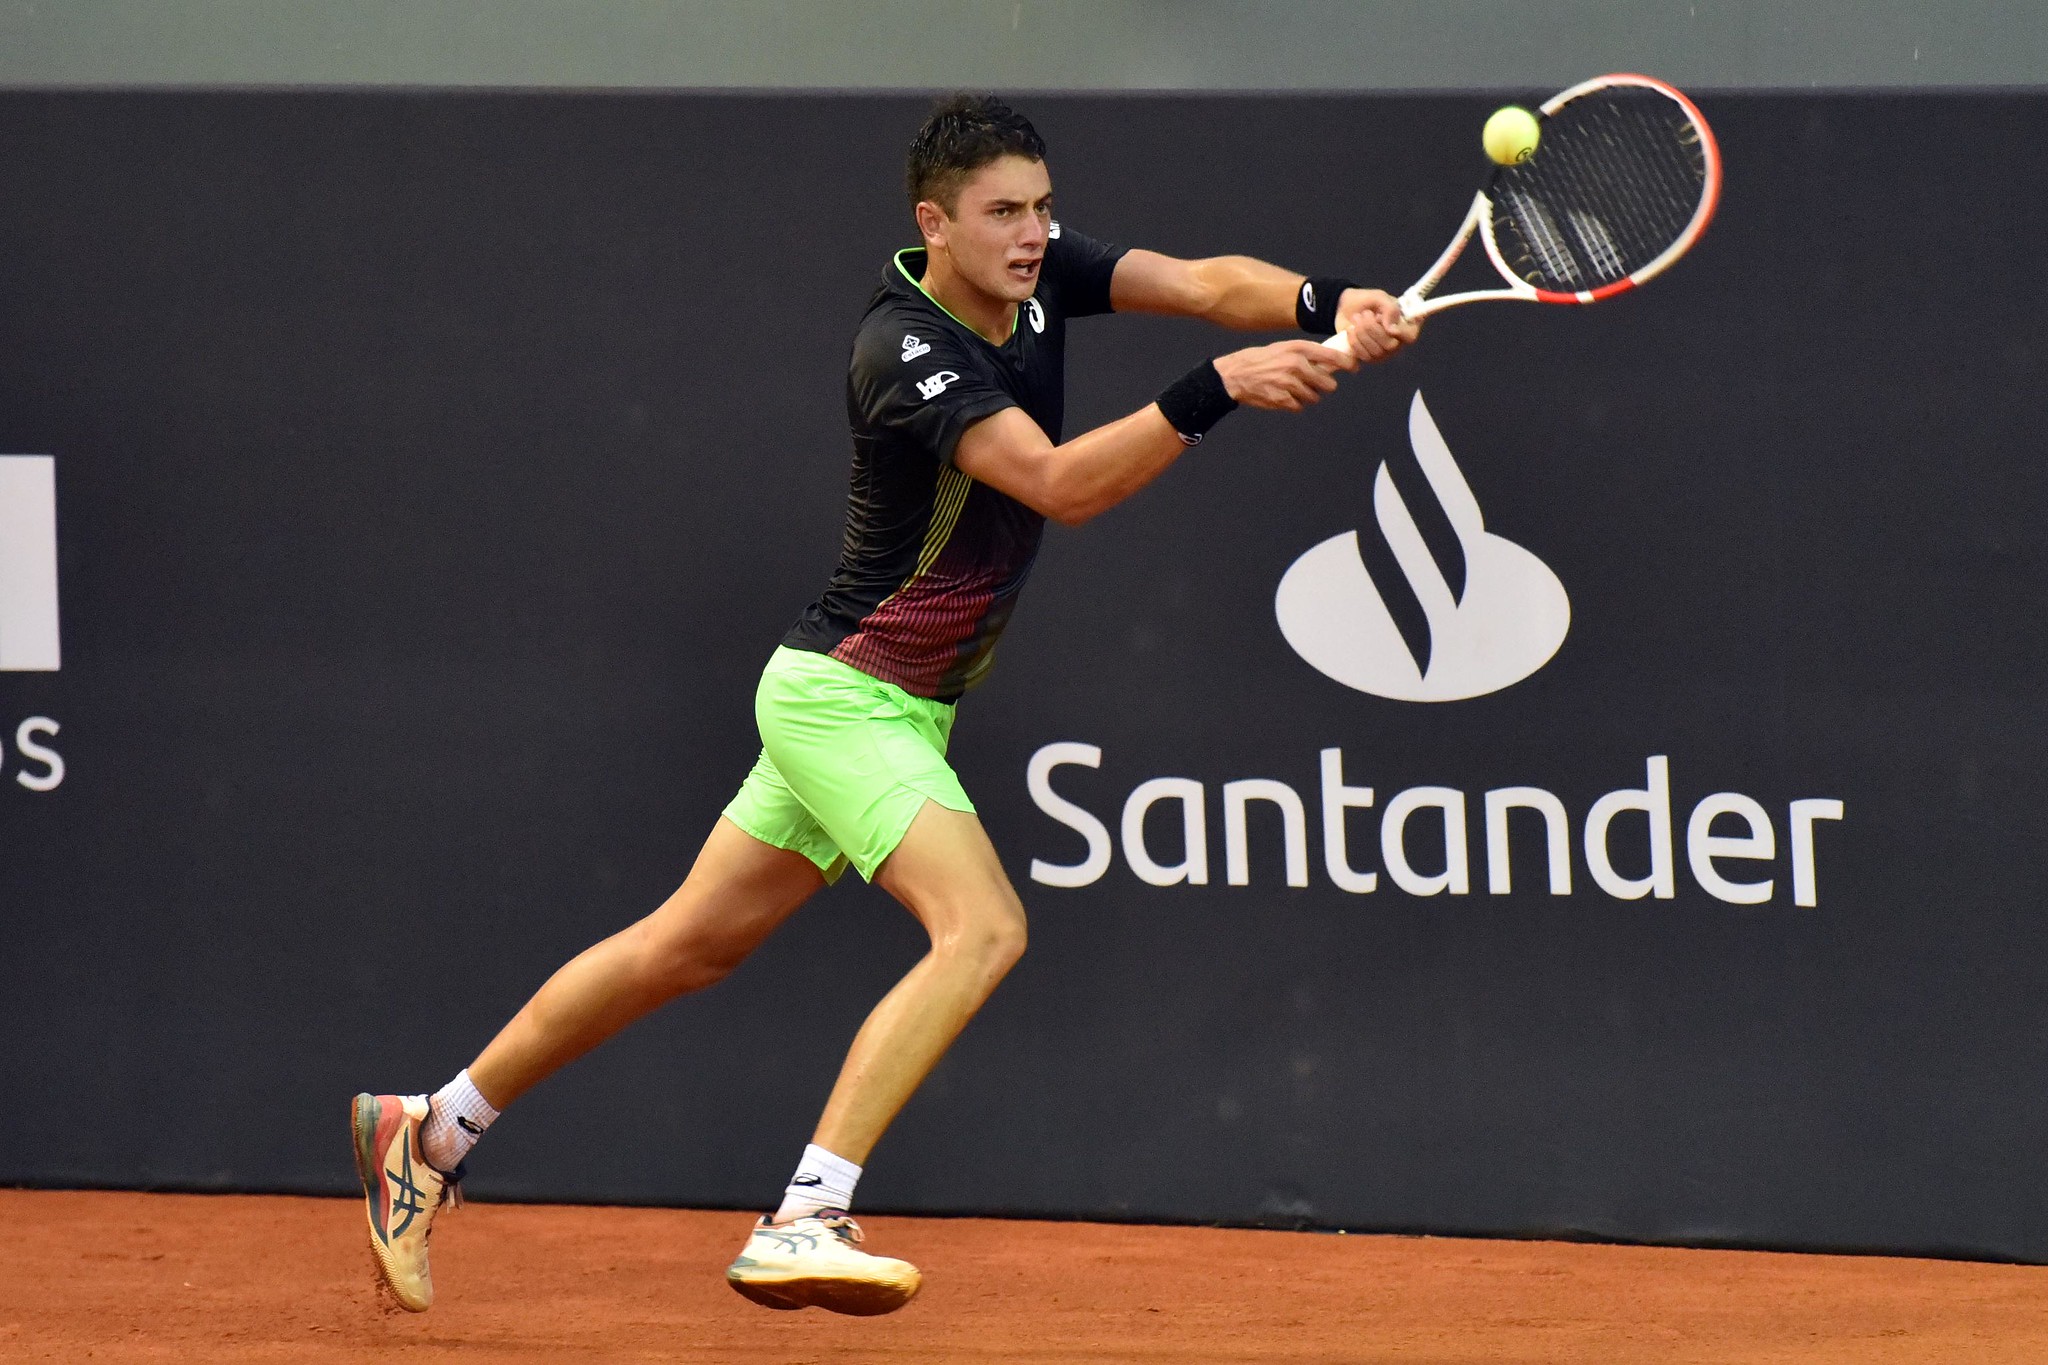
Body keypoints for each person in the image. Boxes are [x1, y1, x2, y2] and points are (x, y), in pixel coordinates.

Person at [353, 93, 1420, 1318]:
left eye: (1041, 208)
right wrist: (1212, 390)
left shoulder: (1034, 274)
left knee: (686, 944)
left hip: (897, 706)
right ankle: (807, 1213)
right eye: (1002, 213)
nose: (1032, 233)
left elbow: (1198, 277)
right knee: (982, 929)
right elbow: (1058, 485)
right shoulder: (902, 348)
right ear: (935, 222)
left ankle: (430, 1130)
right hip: (839, 700)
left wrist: (1322, 301)